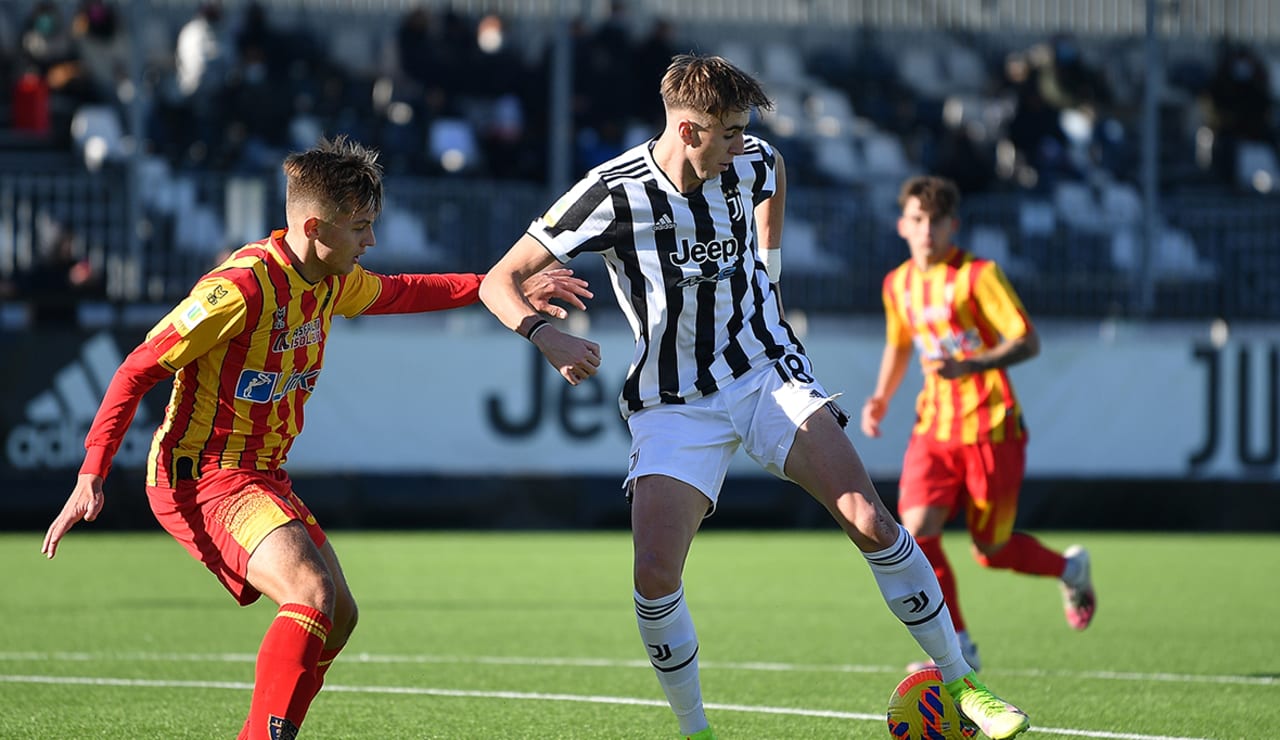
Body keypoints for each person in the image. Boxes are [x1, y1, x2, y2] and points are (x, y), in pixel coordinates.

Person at [478, 53, 1030, 740]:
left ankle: (963, 682)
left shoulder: (752, 161)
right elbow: (497, 279)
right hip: (673, 399)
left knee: (871, 519)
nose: (743, 143)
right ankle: (696, 731)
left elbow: (775, 172)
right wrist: (543, 335)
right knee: (654, 573)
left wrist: (767, 273)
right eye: (729, 131)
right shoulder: (610, 193)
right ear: (687, 130)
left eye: (744, 129)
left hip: (764, 369)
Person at [41, 135, 591, 739]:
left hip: (258, 476)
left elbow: (405, 292)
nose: (371, 241)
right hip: (204, 475)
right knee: (311, 593)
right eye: (360, 227)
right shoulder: (239, 290)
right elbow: (137, 368)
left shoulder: (329, 280)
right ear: (313, 226)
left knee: (341, 615)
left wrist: (496, 286)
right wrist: (91, 473)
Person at [860, 175, 1096, 675]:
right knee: (916, 532)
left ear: (953, 225)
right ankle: (958, 642)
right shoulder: (897, 283)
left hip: (992, 427)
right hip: (934, 429)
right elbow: (900, 344)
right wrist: (881, 396)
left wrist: (968, 366)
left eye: (936, 221)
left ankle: (1071, 570)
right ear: (903, 224)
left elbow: (1027, 342)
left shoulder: (977, 275)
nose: (927, 230)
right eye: (918, 220)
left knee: (991, 549)